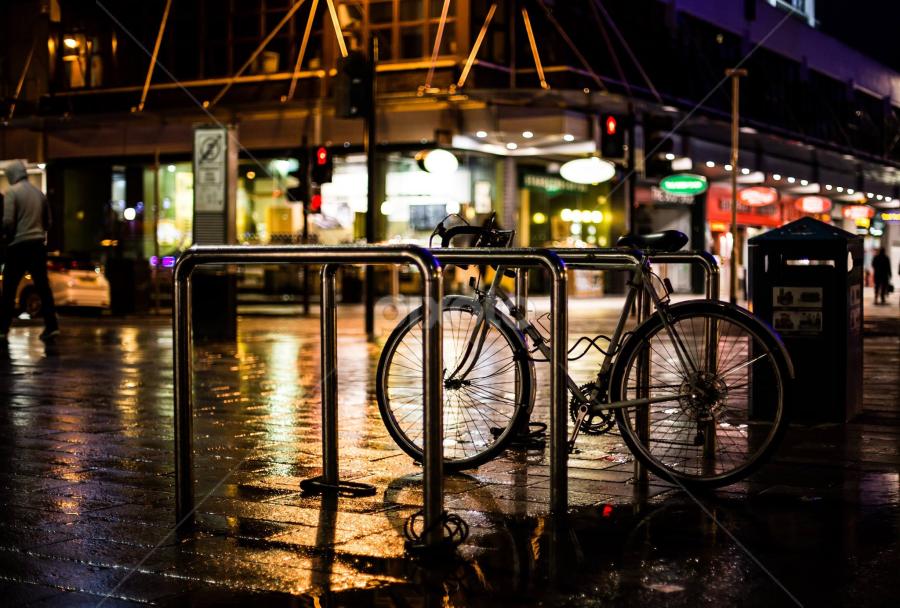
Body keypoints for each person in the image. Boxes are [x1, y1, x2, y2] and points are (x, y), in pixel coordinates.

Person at [1, 160, 59, 341]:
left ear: (12, 175)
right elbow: (48, 222)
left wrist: (6, 237)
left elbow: (8, 222)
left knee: (9, 288)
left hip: (18, 246)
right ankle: (51, 326)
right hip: (38, 246)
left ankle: (3, 328)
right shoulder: (39, 194)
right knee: (43, 287)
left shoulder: (12, 193)